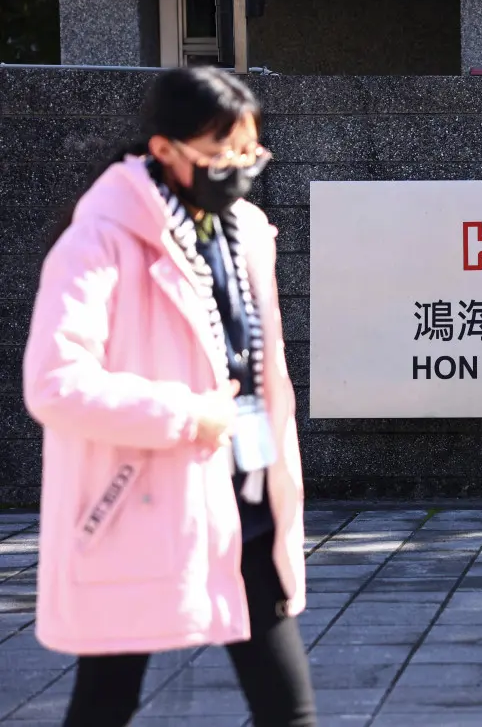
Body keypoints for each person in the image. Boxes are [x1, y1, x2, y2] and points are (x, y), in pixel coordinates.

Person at [22, 67, 316, 726]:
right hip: (146, 503)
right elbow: (53, 382)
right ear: (163, 150)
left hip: (246, 492)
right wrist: (186, 415)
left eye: (249, 153)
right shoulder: (97, 240)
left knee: (288, 706)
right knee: (107, 698)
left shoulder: (245, 232)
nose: (238, 170)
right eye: (219, 155)